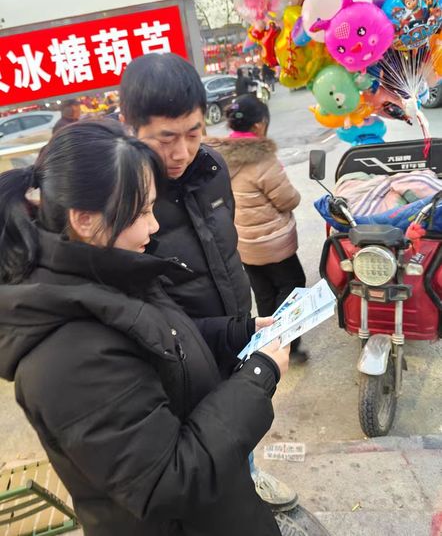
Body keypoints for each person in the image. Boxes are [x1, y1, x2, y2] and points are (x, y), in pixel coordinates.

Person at [0, 120, 291, 536]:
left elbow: (164, 339)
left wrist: (241, 332)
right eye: (140, 213)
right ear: (85, 220)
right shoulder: (67, 356)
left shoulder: (106, 270)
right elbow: (168, 483)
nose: (153, 227)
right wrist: (260, 375)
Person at [119, 52, 298, 510]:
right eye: (165, 138)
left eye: (193, 133)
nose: (181, 152)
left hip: (234, 326)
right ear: (128, 126)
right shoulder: (123, 200)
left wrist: (245, 321)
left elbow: (225, 247)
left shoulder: (214, 168)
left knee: (243, 413)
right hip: (181, 348)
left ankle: (250, 476)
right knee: (206, 437)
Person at [209, 94, 308, 362]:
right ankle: (287, 345)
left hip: (242, 242)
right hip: (272, 243)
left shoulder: (218, 156)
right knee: (293, 286)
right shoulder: (262, 158)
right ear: (259, 124)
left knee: (264, 293)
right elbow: (287, 199)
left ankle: (268, 345)